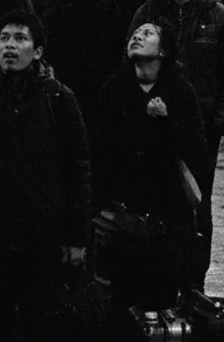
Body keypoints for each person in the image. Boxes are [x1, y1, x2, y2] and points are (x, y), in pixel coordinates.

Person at [0, 11, 91, 341]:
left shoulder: (59, 99)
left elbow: (78, 171)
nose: (10, 45)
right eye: (4, 38)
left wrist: (77, 238)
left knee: (41, 326)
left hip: (43, 239)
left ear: (37, 52)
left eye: (20, 39)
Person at [130, 0, 224, 291]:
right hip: (152, 123)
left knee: (197, 202)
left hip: (200, 130)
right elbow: (129, 64)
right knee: (152, 198)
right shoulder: (147, 13)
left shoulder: (220, 18)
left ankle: (195, 280)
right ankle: (159, 277)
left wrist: (220, 122)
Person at [93, 22, 205, 309]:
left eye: (147, 34)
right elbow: (98, 149)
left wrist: (166, 121)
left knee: (160, 302)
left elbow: (195, 148)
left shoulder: (180, 91)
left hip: (166, 217)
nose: (137, 37)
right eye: (135, 34)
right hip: (120, 214)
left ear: (163, 50)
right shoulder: (114, 88)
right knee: (117, 302)